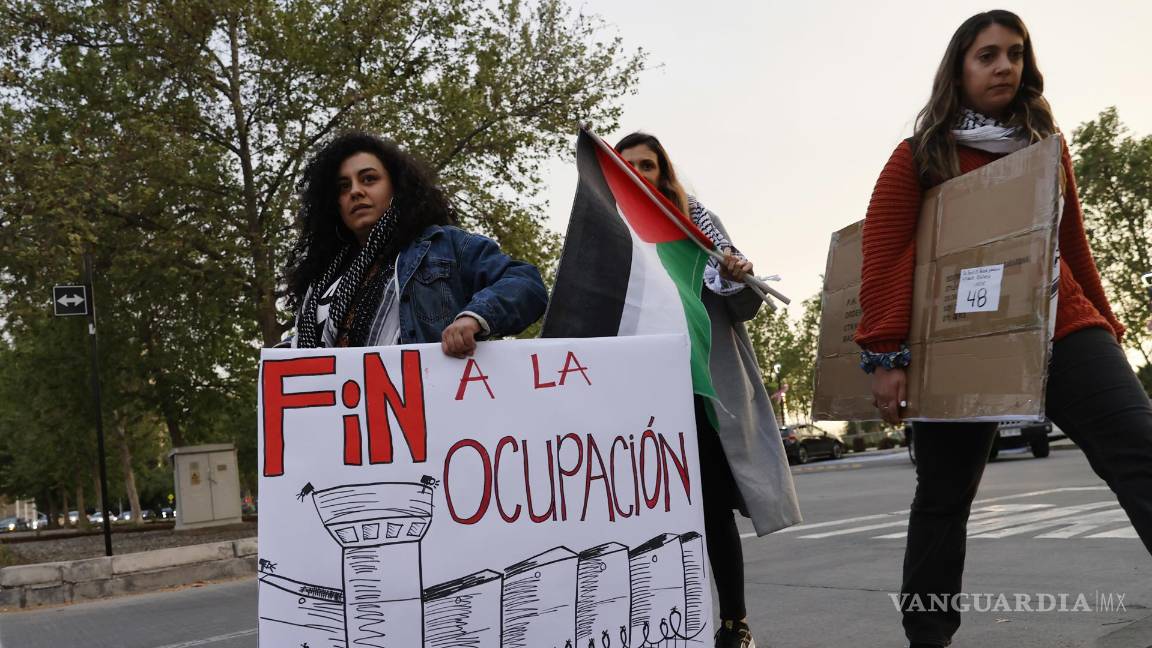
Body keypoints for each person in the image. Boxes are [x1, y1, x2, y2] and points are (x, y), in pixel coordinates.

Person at [853, 11, 1152, 647]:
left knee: (1140, 450)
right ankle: (928, 638)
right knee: (943, 496)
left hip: (1059, 320)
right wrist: (884, 353)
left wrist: (1104, 320)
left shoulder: (1046, 146)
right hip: (962, 340)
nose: (1004, 67)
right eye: (987, 55)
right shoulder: (921, 154)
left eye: (1014, 54)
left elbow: (1071, 242)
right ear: (960, 69)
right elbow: (882, 248)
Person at [616, 132, 802, 648]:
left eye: (647, 165)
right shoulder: (609, 240)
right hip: (638, 402)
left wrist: (737, 273)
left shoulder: (698, 233)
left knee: (711, 510)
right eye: (625, 165)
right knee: (648, 512)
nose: (637, 174)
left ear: (663, 173)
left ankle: (733, 624)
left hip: (703, 395)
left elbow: (743, 307)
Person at [284, 132, 547, 353]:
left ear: (396, 187)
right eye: (343, 187)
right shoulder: (323, 283)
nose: (355, 191)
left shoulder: (443, 246)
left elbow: (526, 283)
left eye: (369, 179)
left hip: (427, 406)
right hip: (345, 411)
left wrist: (473, 319)